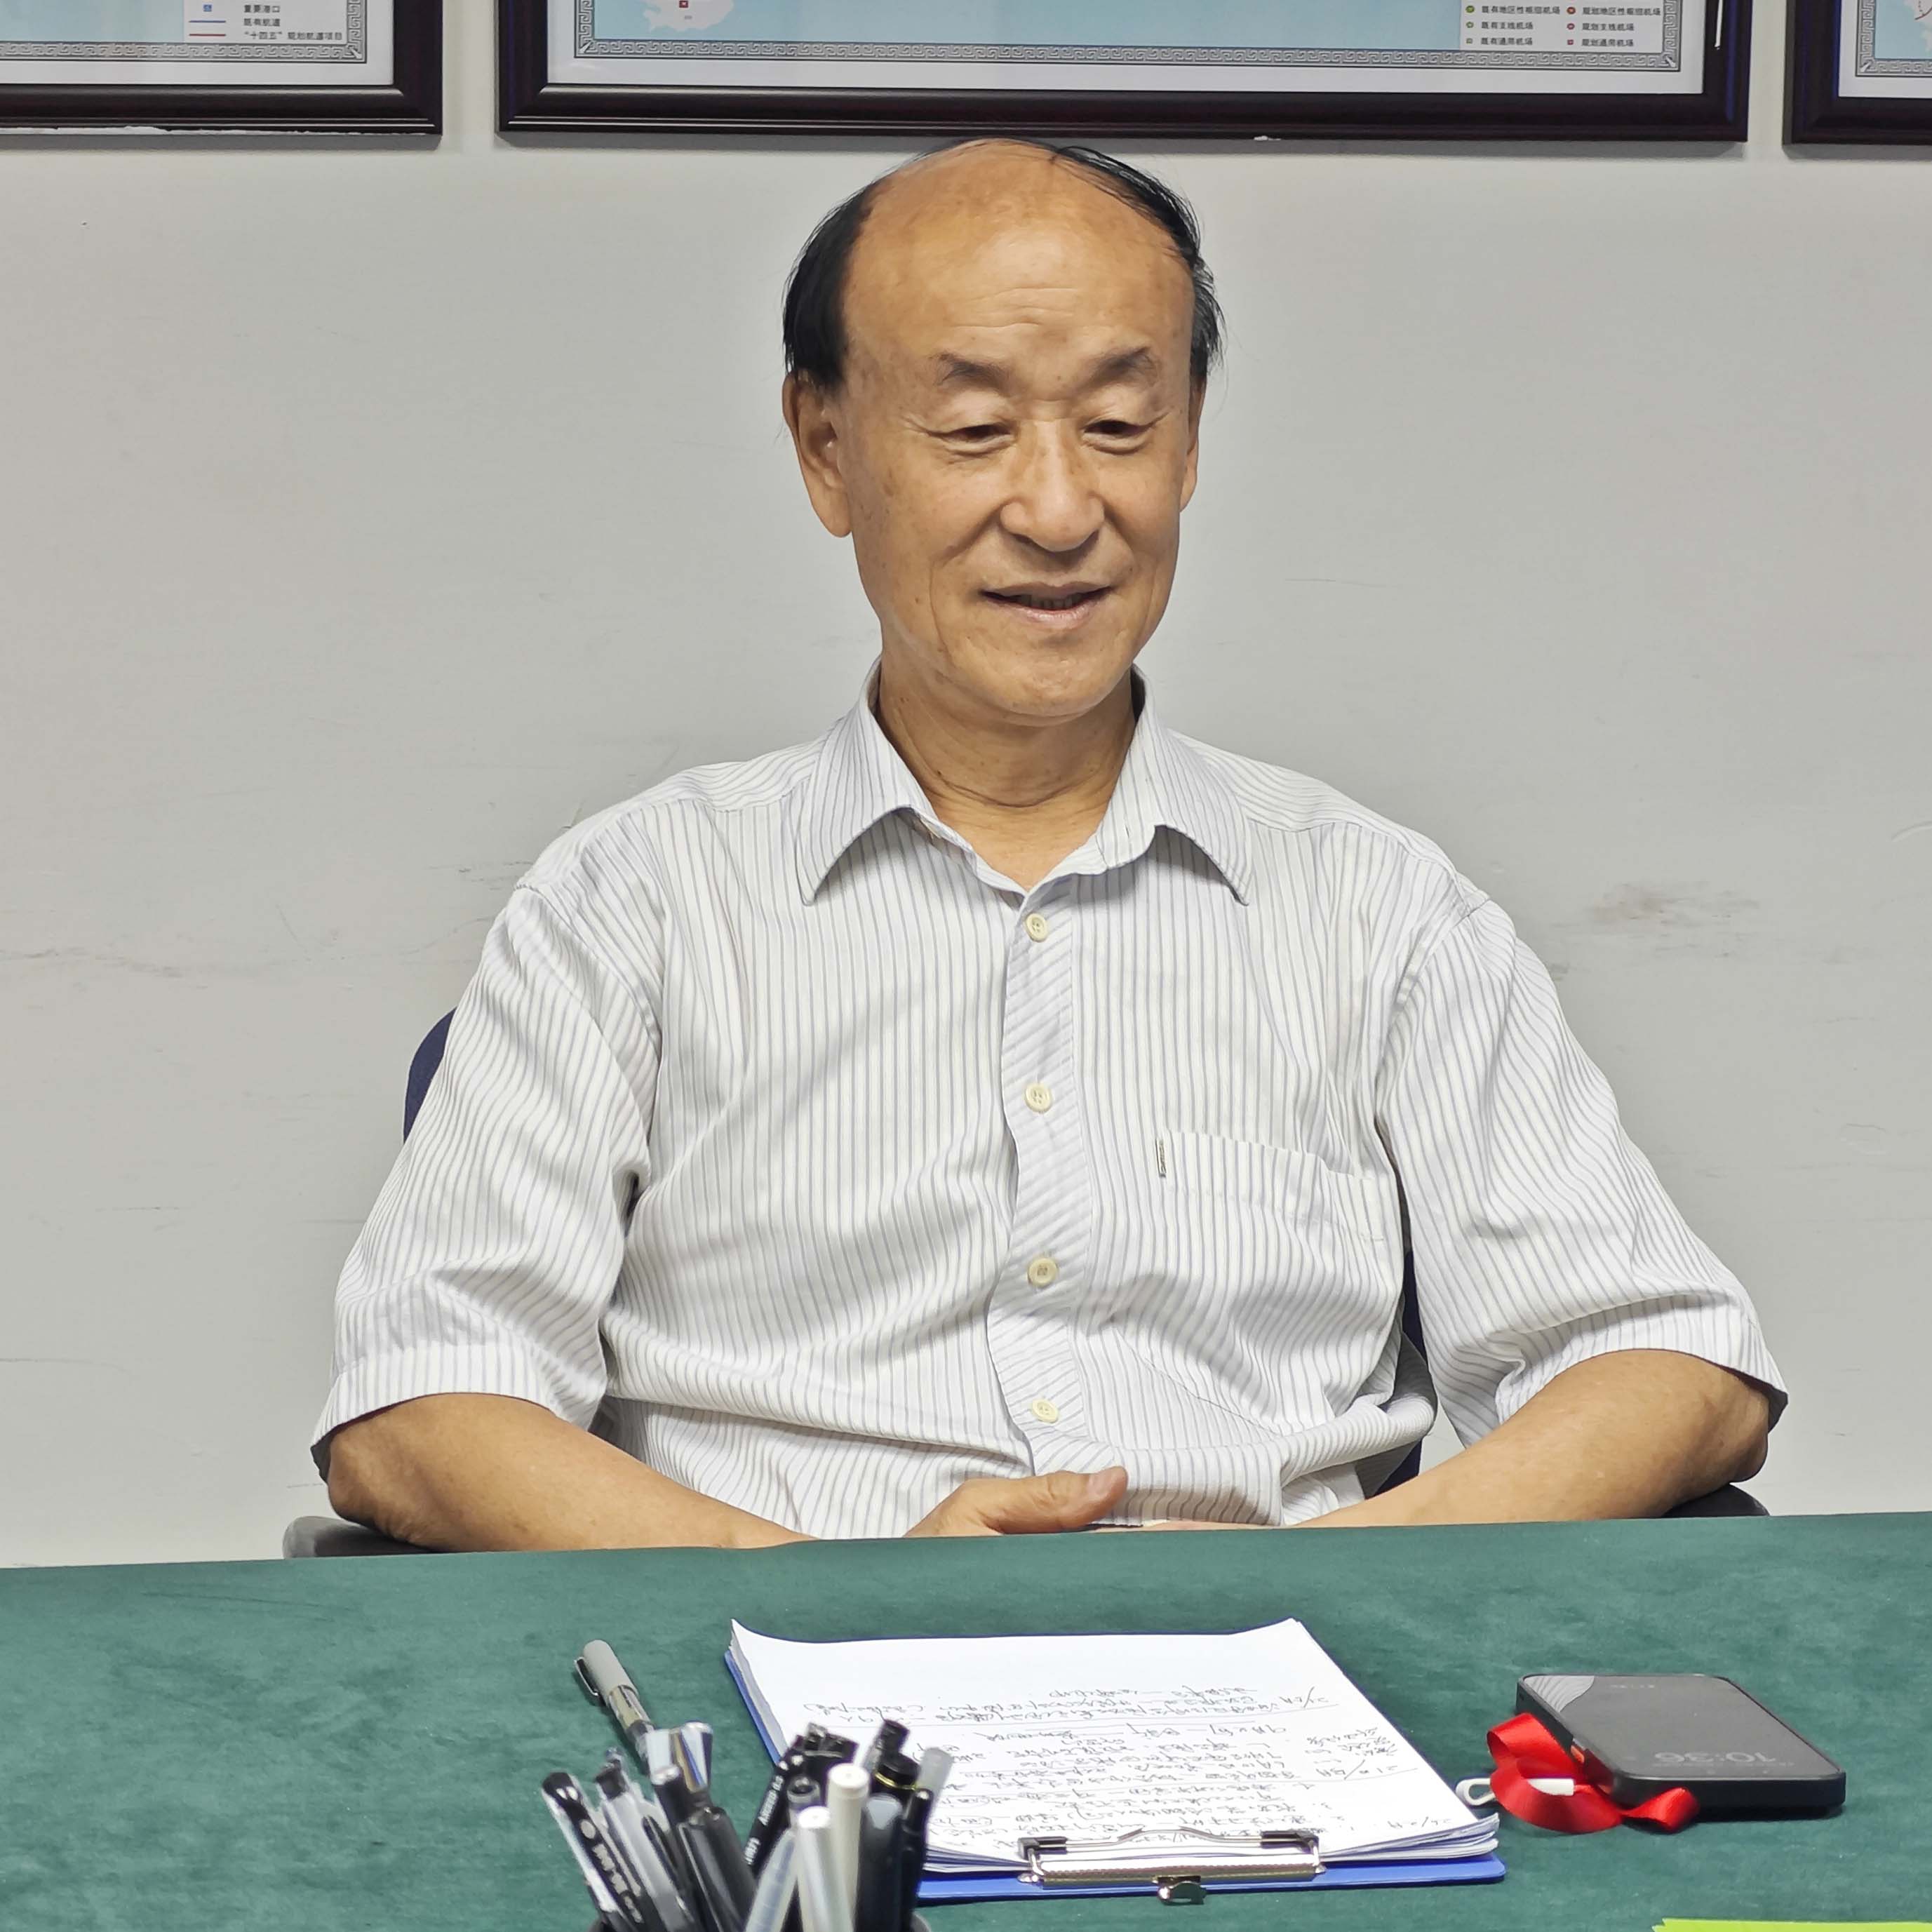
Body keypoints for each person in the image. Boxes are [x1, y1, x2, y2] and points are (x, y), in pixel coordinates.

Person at [315, 140, 1780, 1552]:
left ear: (1189, 443)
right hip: (779, 1672)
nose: (1062, 510)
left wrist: (1340, 1573)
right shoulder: (633, 903)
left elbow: (1670, 1364)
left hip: (1288, 1668)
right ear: (826, 450)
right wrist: (833, 1594)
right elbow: (421, 1408)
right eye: (973, 431)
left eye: (1120, 427)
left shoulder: (1379, 909)